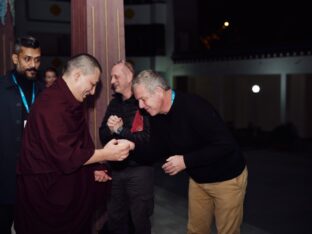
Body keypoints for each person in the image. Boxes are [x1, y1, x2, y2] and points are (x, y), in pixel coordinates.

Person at [14, 53, 135, 234]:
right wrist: (105, 154)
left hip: (64, 184)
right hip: (44, 192)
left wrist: (93, 168)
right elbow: (65, 155)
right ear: (77, 75)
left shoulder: (70, 101)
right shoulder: (51, 103)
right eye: (92, 84)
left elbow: (79, 145)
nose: (93, 92)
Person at [132, 70, 248, 234]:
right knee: (195, 231)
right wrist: (129, 149)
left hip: (227, 178)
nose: (140, 106)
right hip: (199, 179)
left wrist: (185, 161)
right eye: (138, 101)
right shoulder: (156, 114)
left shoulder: (194, 107)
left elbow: (225, 145)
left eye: (143, 99)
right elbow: (155, 149)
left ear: (158, 91)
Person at [99, 60, 153, 234]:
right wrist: (111, 129)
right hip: (116, 171)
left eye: (116, 76)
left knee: (140, 220)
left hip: (139, 171)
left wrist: (120, 130)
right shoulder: (114, 103)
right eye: (111, 77)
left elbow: (145, 139)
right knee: (115, 219)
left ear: (129, 77)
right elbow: (103, 134)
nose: (112, 81)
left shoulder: (142, 103)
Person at [0, 35, 42, 234]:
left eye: (37, 59)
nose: (33, 64)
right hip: (4, 178)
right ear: (15, 59)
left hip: (34, 180)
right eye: (27, 59)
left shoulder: (44, 92)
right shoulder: (1, 88)